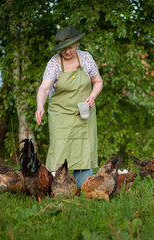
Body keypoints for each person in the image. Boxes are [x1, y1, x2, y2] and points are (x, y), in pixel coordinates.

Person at [35, 26, 103, 187]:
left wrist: (92, 96)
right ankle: (55, 190)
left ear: (77, 44)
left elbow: (98, 81)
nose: (67, 52)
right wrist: (40, 106)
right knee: (59, 149)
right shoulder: (54, 63)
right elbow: (44, 88)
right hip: (60, 114)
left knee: (84, 150)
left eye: (71, 47)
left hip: (84, 112)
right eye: (63, 48)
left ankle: (84, 189)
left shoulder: (86, 59)